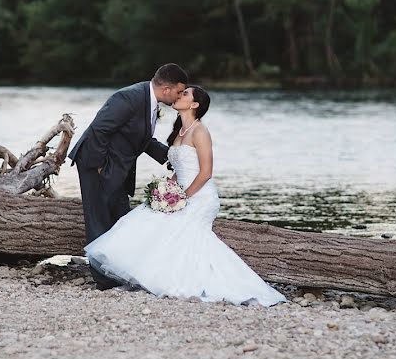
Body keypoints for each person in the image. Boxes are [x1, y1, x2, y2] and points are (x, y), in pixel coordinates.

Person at [84, 86, 286, 306]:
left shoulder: (200, 131)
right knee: (144, 217)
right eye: (181, 92)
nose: (179, 96)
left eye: (185, 94)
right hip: (180, 193)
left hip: (200, 197)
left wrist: (183, 196)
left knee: (177, 230)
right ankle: (141, 274)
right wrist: (166, 190)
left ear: (195, 104)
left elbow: (206, 172)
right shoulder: (179, 130)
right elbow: (178, 169)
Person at [68, 63, 188, 289]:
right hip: (96, 164)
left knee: (122, 218)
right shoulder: (128, 98)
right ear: (166, 89)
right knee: (98, 219)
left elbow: (142, 139)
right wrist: (99, 167)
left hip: (117, 168)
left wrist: (172, 157)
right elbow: (100, 128)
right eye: (179, 92)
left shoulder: (149, 101)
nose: (180, 96)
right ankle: (103, 280)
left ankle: (120, 270)